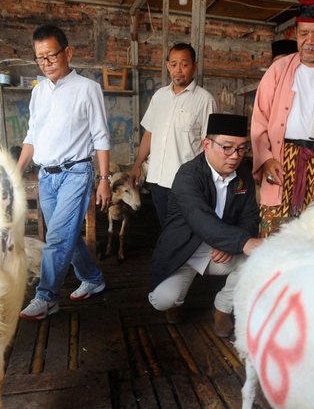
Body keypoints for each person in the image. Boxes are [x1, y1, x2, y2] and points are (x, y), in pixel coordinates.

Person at [17, 24, 111, 321]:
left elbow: (101, 136)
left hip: (76, 173)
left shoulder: (88, 88)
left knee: (57, 237)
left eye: (51, 55)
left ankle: (46, 297)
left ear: (67, 52)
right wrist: (16, 171)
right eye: (40, 58)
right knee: (68, 235)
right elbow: (31, 135)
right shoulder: (39, 92)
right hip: (47, 176)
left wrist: (105, 180)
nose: (46, 63)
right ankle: (93, 279)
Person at [148, 113, 262, 337]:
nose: (235, 156)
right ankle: (175, 302)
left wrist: (231, 244)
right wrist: (240, 241)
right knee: (162, 300)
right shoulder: (187, 175)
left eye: (241, 149)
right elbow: (199, 218)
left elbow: (249, 217)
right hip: (184, 251)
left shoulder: (243, 176)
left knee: (257, 260)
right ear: (207, 144)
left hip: (220, 249)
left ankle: (223, 307)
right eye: (227, 147)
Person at [251, 0, 314, 237]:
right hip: (281, 164)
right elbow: (259, 121)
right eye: (304, 33)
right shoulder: (279, 69)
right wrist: (266, 159)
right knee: (276, 242)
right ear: (295, 32)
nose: (309, 42)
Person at [130, 43, 216, 227]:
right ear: (168, 65)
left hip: (187, 183)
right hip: (158, 180)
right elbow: (149, 134)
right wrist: (137, 165)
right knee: (165, 227)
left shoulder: (205, 100)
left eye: (184, 64)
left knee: (185, 229)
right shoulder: (159, 97)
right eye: (174, 64)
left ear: (194, 66)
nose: (178, 70)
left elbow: (210, 145)